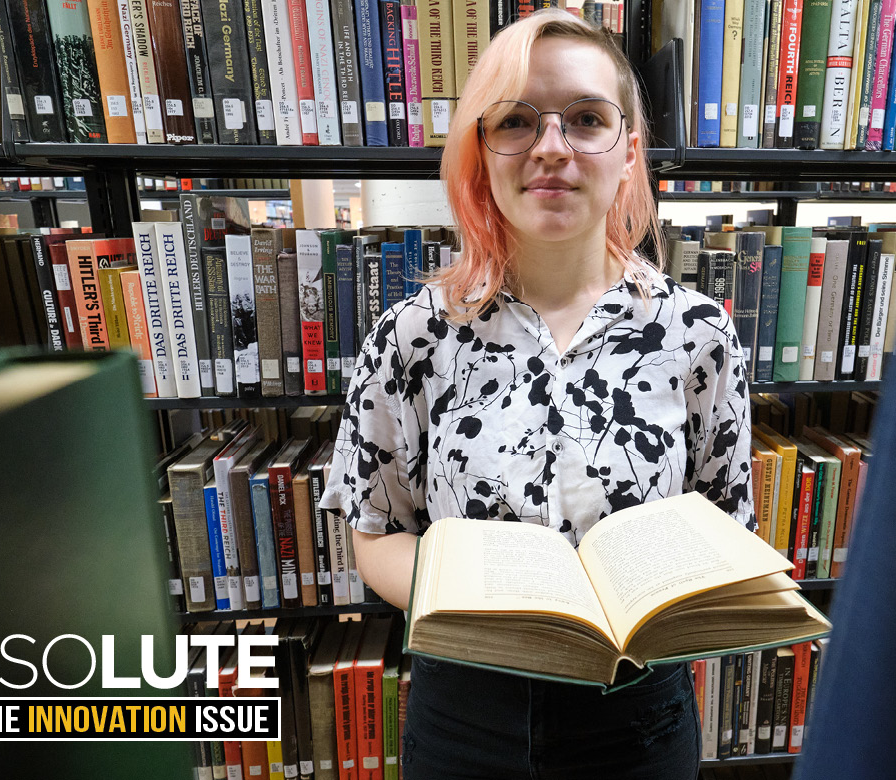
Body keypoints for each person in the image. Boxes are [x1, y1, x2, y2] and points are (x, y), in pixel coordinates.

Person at [318, 9, 753, 778]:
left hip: (638, 719)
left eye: (586, 119)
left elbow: (724, 520)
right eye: (517, 120)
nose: (552, 147)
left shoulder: (698, 333)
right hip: (466, 716)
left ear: (628, 153)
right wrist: (487, 604)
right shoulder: (412, 335)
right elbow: (375, 528)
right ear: (480, 153)